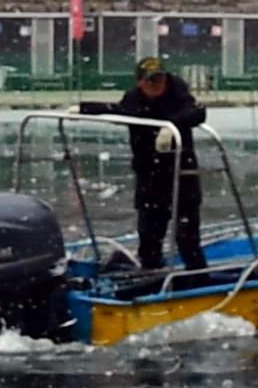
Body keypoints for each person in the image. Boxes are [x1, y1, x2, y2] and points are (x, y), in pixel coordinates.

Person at [78, 56, 206, 271]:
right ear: (140, 82)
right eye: (150, 81)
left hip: (181, 175)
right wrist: (84, 109)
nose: (157, 85)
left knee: (187, 238)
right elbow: (118, 111)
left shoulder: (178, 95)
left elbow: (197, 113)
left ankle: (199, 278)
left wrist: (171, 126)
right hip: (150, 178)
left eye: (160, 80)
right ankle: (150, 277)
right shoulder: (134, 99)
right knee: (149, 237)